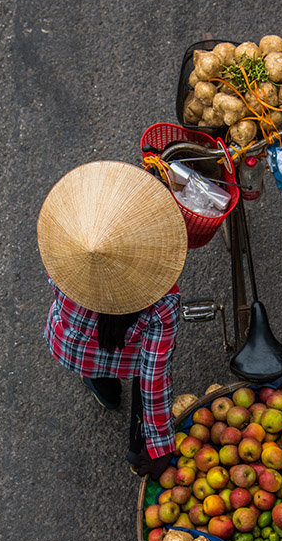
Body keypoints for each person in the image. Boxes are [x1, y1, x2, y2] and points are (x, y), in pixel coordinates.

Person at [37, 161, 188, 480]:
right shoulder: (162, 303)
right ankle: (137, 450)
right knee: (139, 386)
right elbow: (153, 379)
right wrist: (160, 445)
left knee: (97, 375)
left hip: (73, 347)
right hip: (129, 359)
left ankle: (103, 391)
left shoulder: (64, 253)